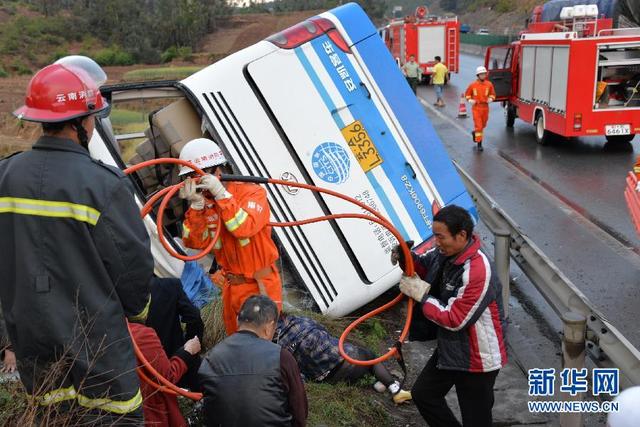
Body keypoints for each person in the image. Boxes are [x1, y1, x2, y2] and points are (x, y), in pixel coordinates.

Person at [0, 58, 153, 422]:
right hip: (96, 346)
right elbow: (133, 270)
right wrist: (139, 312)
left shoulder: (5, 176)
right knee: (112, 415)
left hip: (33, 341)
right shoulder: (103, 184)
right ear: (83, 122)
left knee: (52, 416)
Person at [392, 205, 507, 427]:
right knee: (424, 395)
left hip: (477, 358)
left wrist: (422, 294)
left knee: (476, 420)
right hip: (452, 349)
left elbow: (455, 319)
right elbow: (425, 267)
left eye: (440, 236)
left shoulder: (478, 270)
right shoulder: (445, 252)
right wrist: (407, 258)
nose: (436, 242)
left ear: (461, 235)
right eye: (434, 235)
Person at [178, 138, 282, 336]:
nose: (195, 181)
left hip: (259, 286)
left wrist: (221, 194)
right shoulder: (205, 204)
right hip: (231, 287)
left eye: (197, 175)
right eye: (190, 177)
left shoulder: (251, 193)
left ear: (216, 171)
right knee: (238, 343)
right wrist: (196, 207)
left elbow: (244, 228)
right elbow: (194, 242)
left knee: (260, 345)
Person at [199, 295, 308, 426]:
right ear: (269, 327)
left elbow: (209, 406)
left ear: (237, 319)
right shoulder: (281, 357)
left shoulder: (211, 357)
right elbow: (299, 411)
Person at [275, 312, 412, 404]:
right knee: (369, 356)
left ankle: (375, 383)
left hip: (328, 379)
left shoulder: (276, 346)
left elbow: (296, 374)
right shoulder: (301, 320)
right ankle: (394, 388)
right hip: (351, 363)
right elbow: (324, 331)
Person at [129, 321, 201, 427]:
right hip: (153, 415)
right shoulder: (140, 334)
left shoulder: (100, 334)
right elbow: (166, 378)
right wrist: (188, 352)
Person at [146, 276, 204, 389]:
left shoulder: (121, 293)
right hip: (176, 354)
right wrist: (191, 345)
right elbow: (194, 317)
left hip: (144, 363)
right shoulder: (169, 284)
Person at [465, 66, 496, 151]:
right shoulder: (473, 85)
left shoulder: (489, 84)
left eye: (484, 74)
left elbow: (493, 94)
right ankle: (479, 144)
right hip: (476, 108)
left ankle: (475, 133)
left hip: (485, 107)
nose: (483, 76)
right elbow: (467, 94)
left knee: (483, 125)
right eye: (481, 74)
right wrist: (470, 100)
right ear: (478, 75)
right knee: (479, 126)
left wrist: (491, 98)